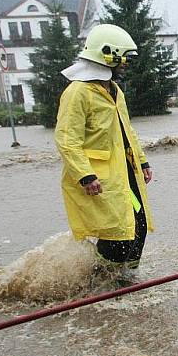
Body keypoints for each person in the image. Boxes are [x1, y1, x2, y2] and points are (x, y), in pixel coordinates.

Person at [55, 24, 153, 283]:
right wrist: (85, 176)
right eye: (124, 60)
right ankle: (99, 284)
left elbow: (126, 129)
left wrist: (142, 161)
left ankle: (129, 279)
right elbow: (66, 139)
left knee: (138, 225)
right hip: (99, 180)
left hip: (125, 176)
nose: (126, 66)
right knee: (116, 234)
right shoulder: (78, 92)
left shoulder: (114, 90)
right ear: (108, 54)